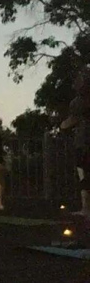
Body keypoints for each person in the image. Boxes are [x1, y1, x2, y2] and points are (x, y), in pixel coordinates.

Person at [60, 67, 90, 218]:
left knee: (84, 174)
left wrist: (62, 125)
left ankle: (86, 208)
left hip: (84, 142)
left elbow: (73, 120)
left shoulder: (78, 101)